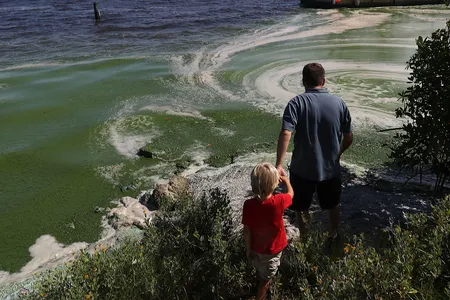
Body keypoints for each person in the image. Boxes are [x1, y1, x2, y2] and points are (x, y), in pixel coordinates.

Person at [275, 62, 353, 239]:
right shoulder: (339, 103)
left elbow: (286, 132)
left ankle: (306, 240)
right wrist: (337, 154)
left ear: (303, 82)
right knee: (333, 205)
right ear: (323, 81)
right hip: (330, 168)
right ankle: (333, 237)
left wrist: (279, 164)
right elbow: (348, 137)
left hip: (302, 168)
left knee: (301, 207)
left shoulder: (296, 103)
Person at [242, 162, 294, 300]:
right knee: (265, 280)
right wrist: (287, 181)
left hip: (256, 248)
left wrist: (248, 249)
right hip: (273, 251)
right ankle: (261, 296)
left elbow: (247, 230)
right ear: (274, 184)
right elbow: (291, 194)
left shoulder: (248, 205)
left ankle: (259, 280)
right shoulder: (279, 201)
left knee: (260, 270)